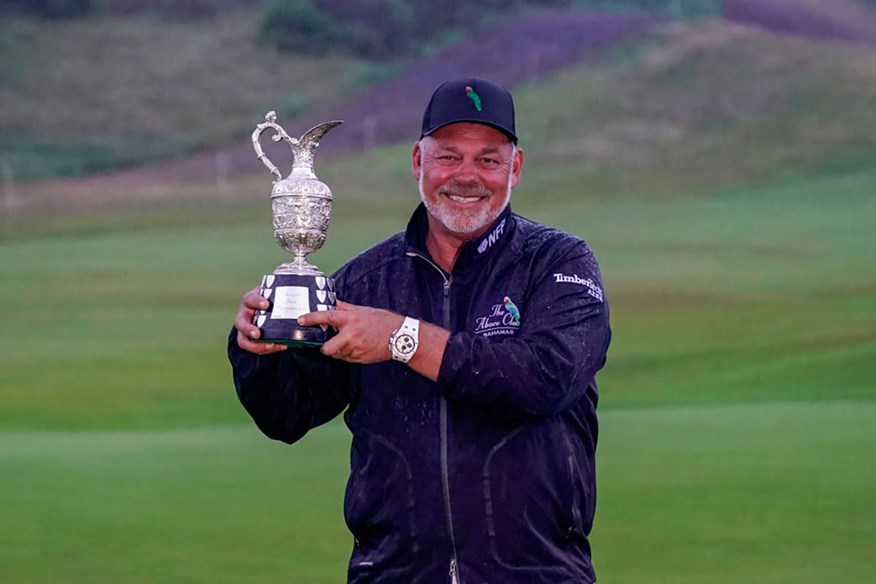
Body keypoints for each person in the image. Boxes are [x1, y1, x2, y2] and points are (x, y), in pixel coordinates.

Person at [229, 77, 611, 584]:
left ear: (514, 168)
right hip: (393, 573)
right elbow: (287, 414)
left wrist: (401, 338)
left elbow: (545, 379)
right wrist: (259, 348)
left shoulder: (559, 264)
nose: (467, 176)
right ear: (418, 162)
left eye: (489, 159)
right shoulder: (366, 281)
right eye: (449, 157)